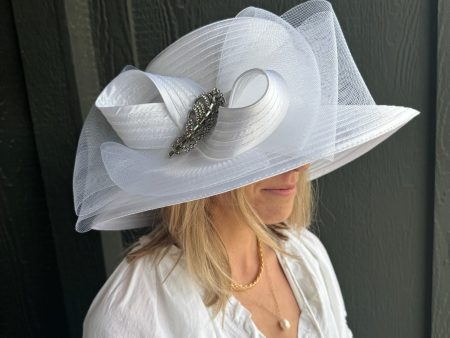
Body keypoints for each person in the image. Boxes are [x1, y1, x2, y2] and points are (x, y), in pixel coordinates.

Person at [73, 1, 419, 337]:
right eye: (265, 152)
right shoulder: (131, 314)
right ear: (198, 174)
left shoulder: (304, 256)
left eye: (295, 145)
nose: (299, 165)